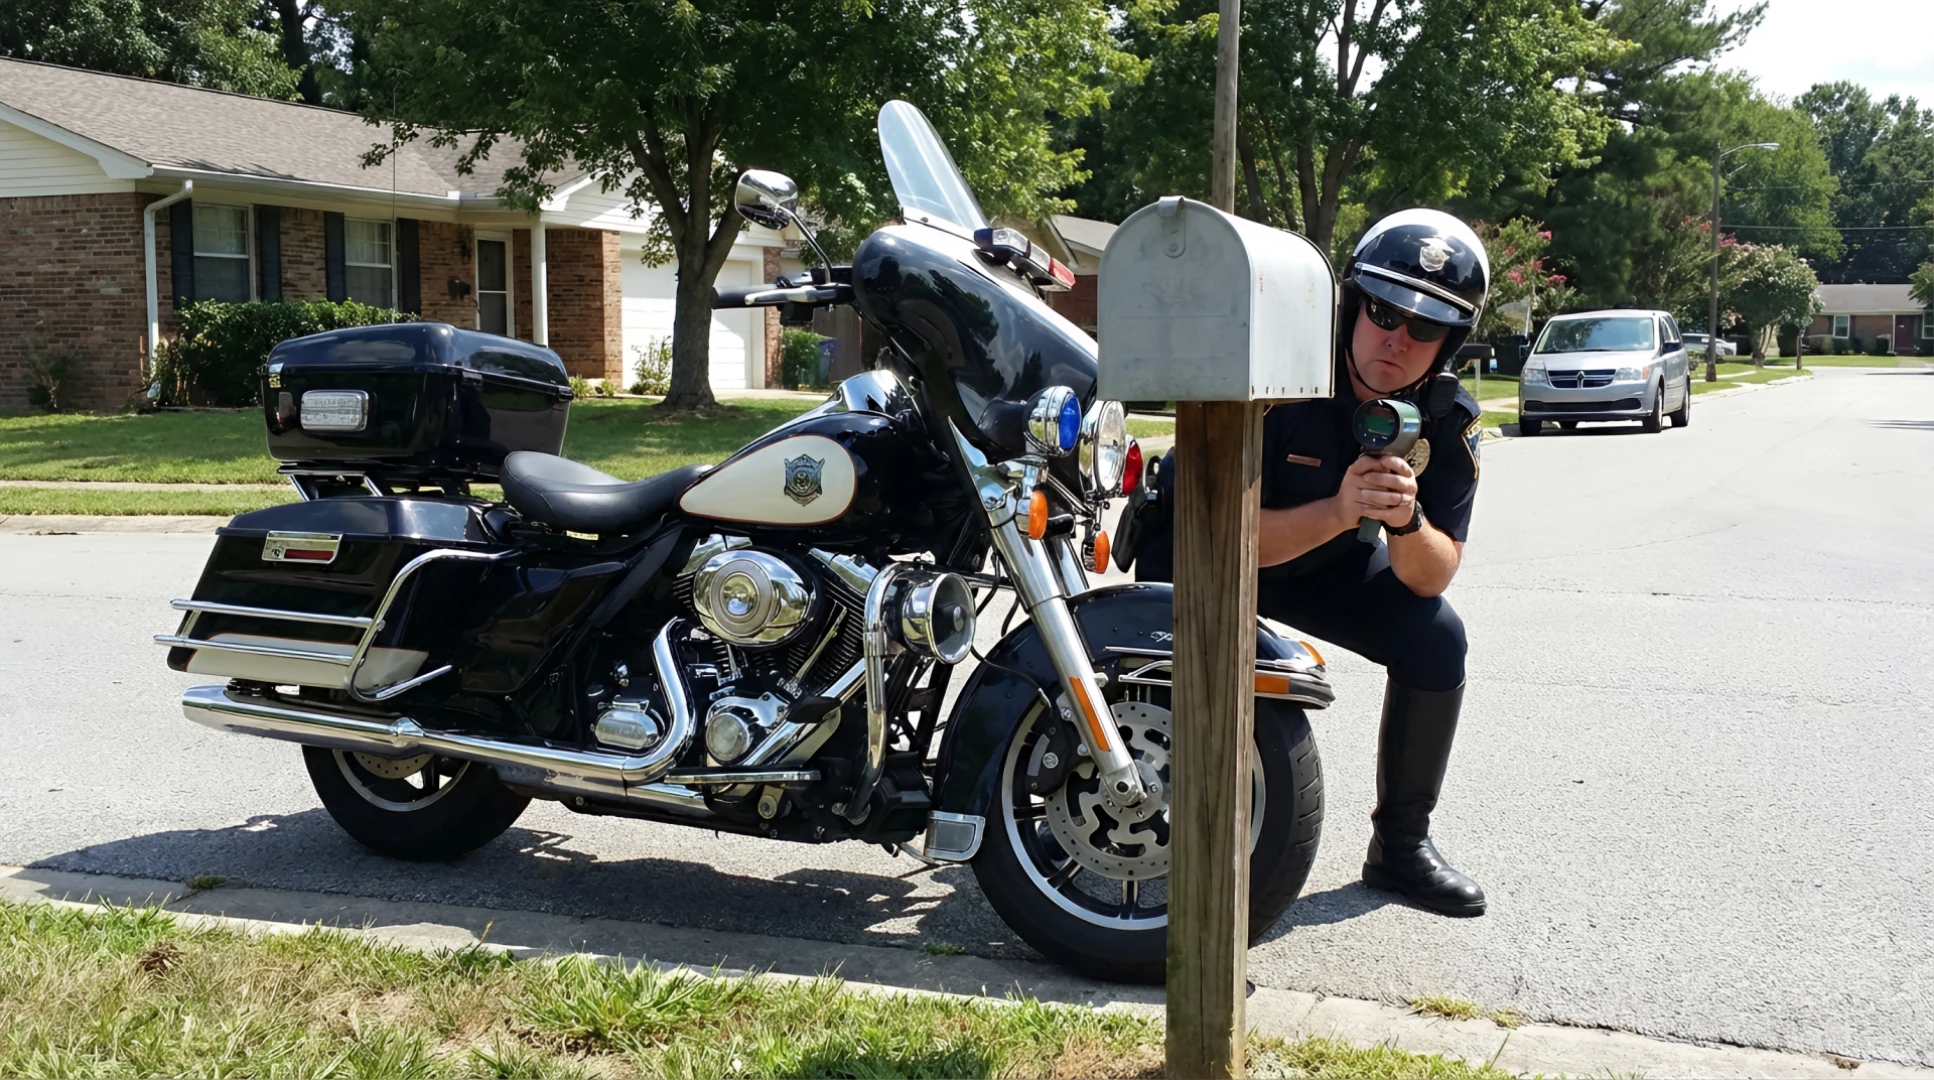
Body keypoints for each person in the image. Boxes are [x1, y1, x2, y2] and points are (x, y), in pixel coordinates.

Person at [1129, 208, 1491, 916]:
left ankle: (1401, 848)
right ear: (1355, 306)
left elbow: (1433, 572)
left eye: (1425, 326)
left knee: (1437, 637)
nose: (1398, 337)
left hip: (1320, 562)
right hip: (1197, 551)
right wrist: (1340, 510)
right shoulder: (1277, 375)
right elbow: (1216, 533)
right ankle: (1147, 819)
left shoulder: (1447, 420)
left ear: (1449, 341)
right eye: (1385, 311)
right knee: (1179, 678)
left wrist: (1405, 518)